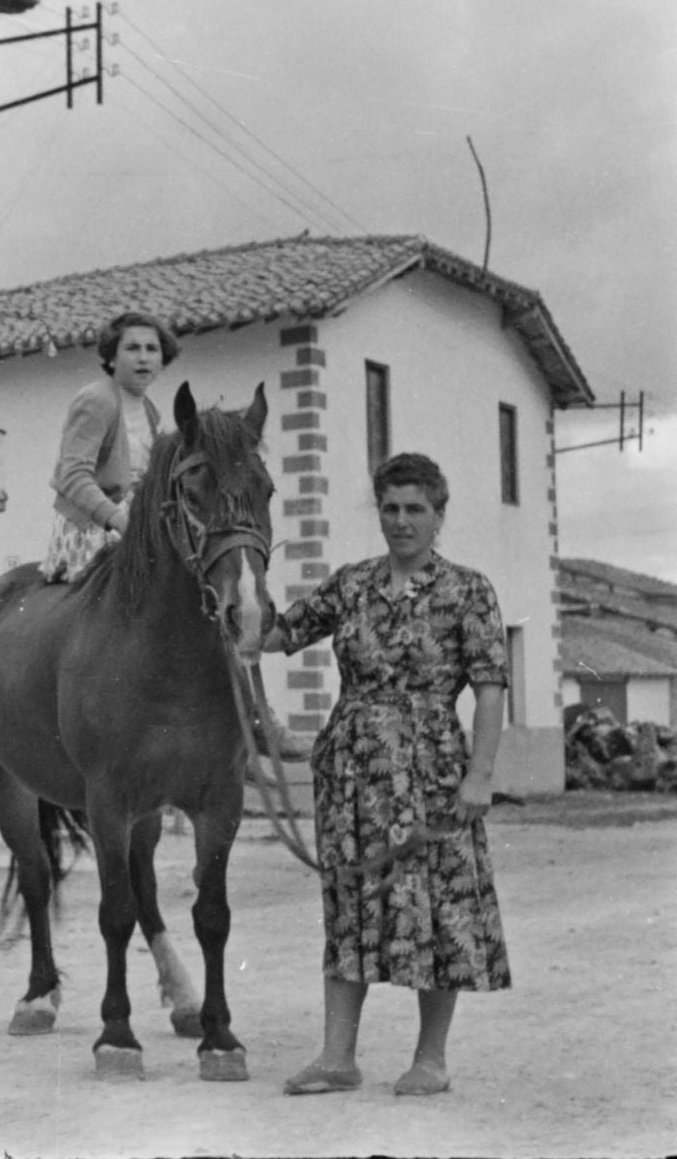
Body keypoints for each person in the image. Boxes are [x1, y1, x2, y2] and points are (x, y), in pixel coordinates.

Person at [266, 452, 511, 1098]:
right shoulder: (351, 584)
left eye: (414, 510)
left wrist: (479, 775)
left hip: (434, 771)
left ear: (438, 515)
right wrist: (231, 582)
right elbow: (274, 635)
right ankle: (337, 1057)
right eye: (390, 508)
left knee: (439, 909)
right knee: (349, 905)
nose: (401, 522)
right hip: (350, 771)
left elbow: (489, 690)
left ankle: (430, 1060)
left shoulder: (469, 590)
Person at [40, 310, 179, 582]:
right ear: (112, 358)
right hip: (91, 526)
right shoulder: (97, 400)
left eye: (152, 349)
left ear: (162, 360)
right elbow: (74, 476)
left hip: (136, 526)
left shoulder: (151, 411)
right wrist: (120, 521)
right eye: (132, 348)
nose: (143, 357)